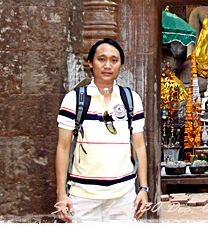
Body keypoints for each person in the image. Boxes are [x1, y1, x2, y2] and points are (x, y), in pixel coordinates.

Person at [55, 38, 149, 222]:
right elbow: (63, 148)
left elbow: (138, 146)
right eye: (101, 59)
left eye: (114, 60)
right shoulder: (74, 100)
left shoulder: (131, 99)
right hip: (83, 195)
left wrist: (143, 188)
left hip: (123, 195)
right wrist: (61, 194)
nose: (107, 66)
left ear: (121, 64)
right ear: (90, 62)